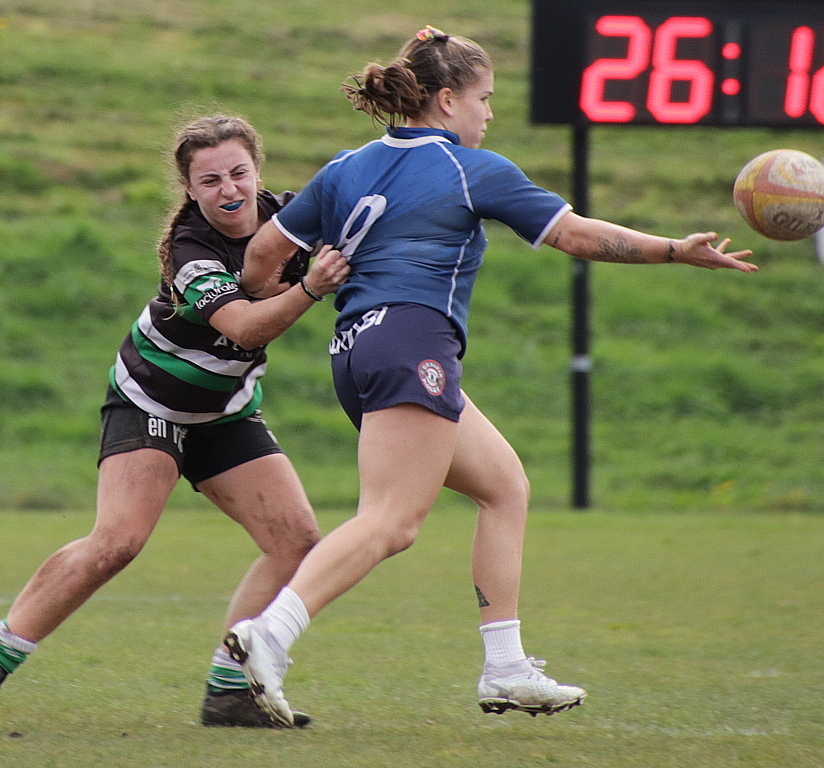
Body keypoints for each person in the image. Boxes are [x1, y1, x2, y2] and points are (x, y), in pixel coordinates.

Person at [225, 25, 759, 727]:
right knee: (391, 520)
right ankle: (271, 633)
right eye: (484, 98)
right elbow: (571, 235)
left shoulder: (345, 166)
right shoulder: (467, 168)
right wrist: (671, 250)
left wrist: (291, 292)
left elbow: (260, 258)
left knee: (504, 487)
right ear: (445, 100)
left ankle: (505, 666)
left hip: (356, 349)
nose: (489, 113)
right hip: (413, 341)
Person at [0, 113, 350, 729]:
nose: (228, 190)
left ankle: (230, 691)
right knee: (117, 543)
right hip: (149, 402)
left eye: (238, 173)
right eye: (209, 180)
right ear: (190, 190)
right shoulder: (191, 250)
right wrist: (311, 289)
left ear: (258, 172)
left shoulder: (289, 220)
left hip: (224, 411)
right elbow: (243, 327)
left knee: (296, 542)